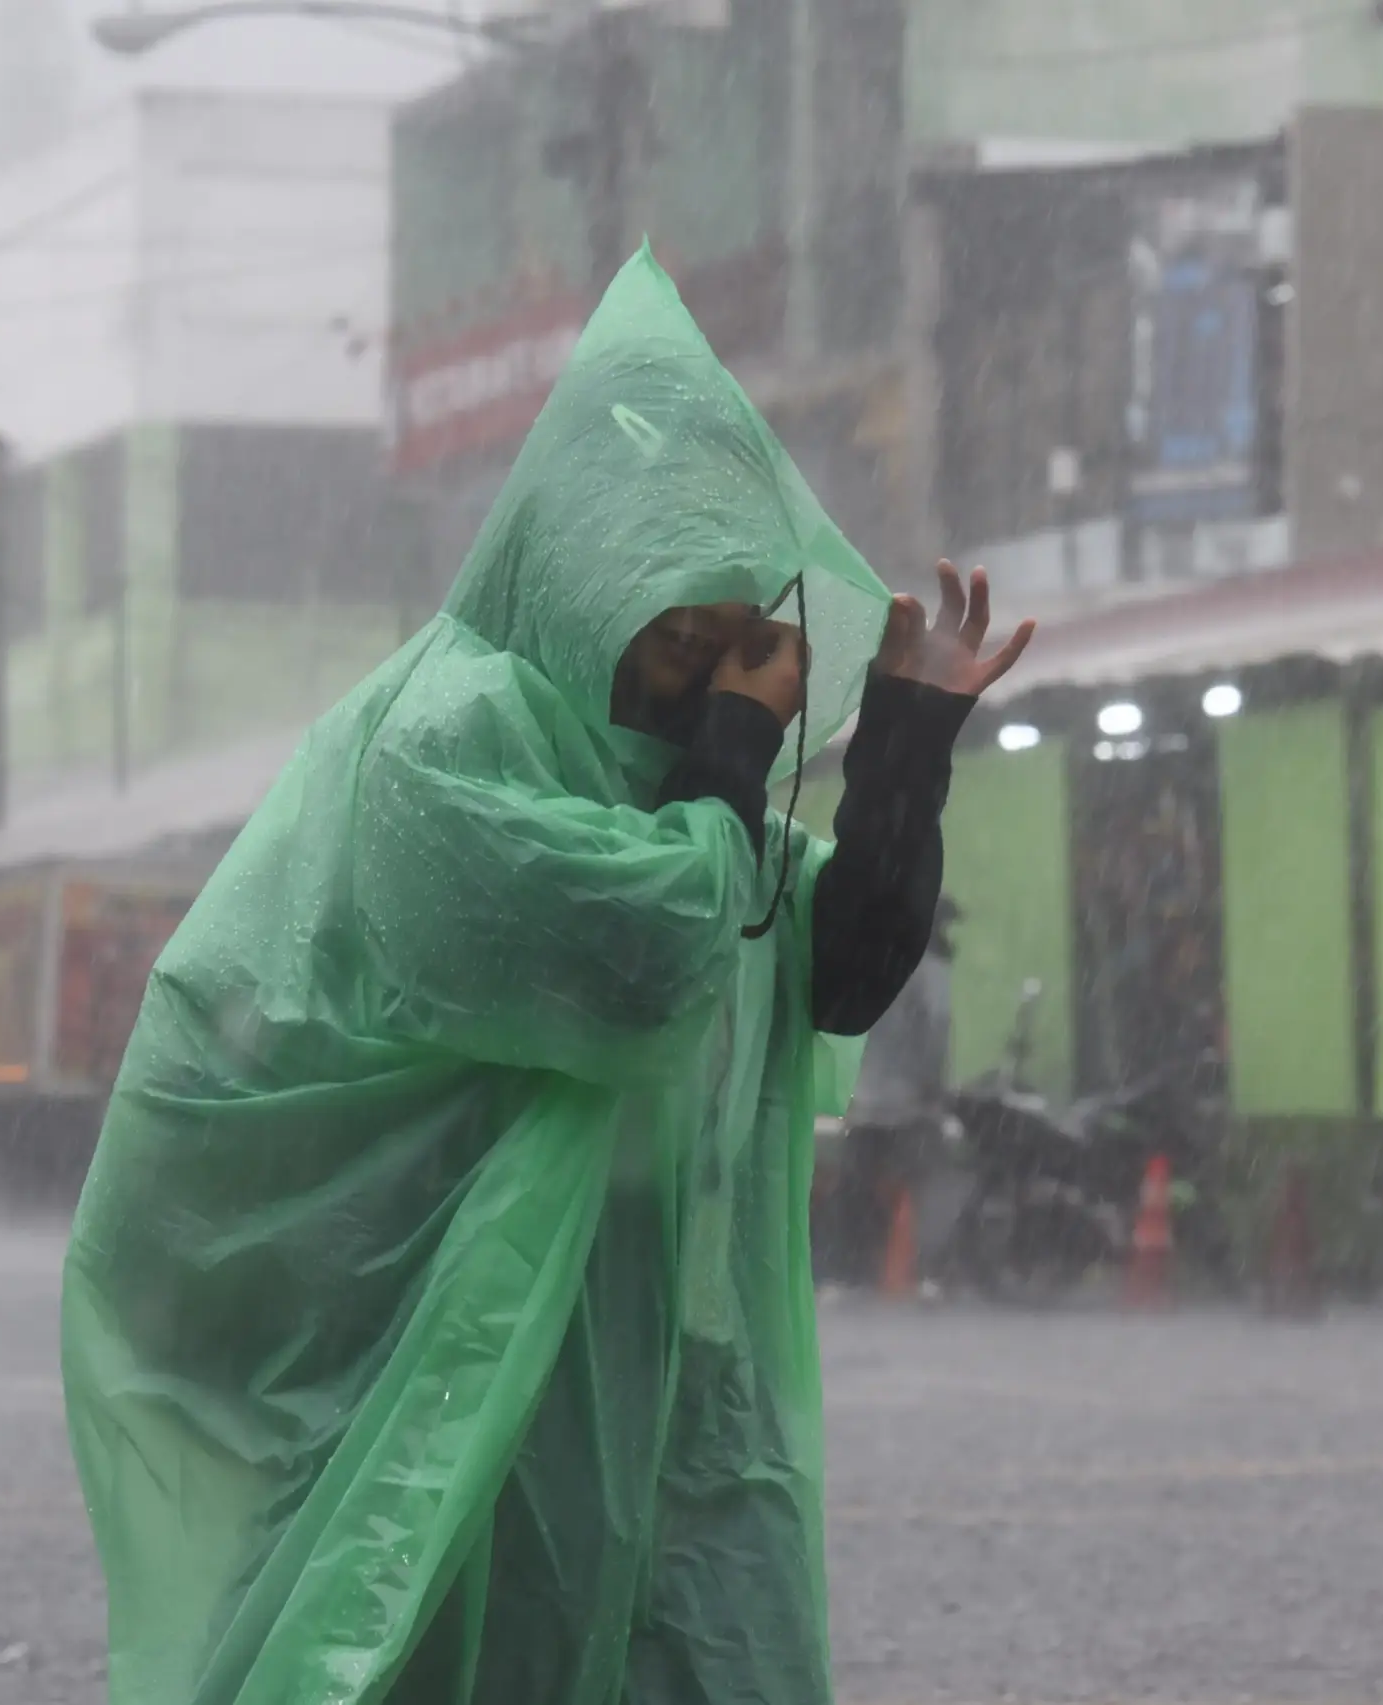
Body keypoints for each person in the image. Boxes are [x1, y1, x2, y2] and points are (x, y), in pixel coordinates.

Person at [60, 250, 1031, 1705]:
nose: (703, 649)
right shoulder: (452, 736)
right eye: (673, 607)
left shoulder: (687, 784)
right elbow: (643, 957)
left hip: (675, 1373)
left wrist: (902, 740)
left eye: (723, 601)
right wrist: (736, 758)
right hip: (466, 1364)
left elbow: (825, 969)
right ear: (579, 547)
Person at [828, 897, 958, 1287]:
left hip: (866, 1098)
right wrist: (933, 1085)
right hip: (910, 1102)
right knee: (921, 1186)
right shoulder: (930, 968)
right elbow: (935, 1029)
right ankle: (921, 1273)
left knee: (856, 1187)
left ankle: (847, 1273)